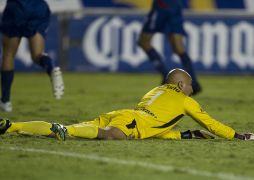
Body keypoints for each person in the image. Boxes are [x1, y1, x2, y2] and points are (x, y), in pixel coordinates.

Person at [0, 68, 253, 141]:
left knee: (76, 126)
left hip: (123, 114)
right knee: (109, 136)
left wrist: (184, 135)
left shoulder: (156, 90)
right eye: (188, 84)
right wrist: (235, 135)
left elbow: (156, 126)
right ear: (179, 86)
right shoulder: (185, 101)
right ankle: (65, 131)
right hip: (132, 121)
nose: (191, 88)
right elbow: (210, 122)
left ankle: (12, 126)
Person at [0, 0, 64, 112]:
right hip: (38, 7)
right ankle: (52, 68)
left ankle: (5, 101)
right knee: (37, 54)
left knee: (8, 54)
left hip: (17, 7)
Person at [138, 0, 201, 94]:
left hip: (161, 6)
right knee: (178, 47)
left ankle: (165, 75)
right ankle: (194, 83)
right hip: (175, 6)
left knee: (144, 42)